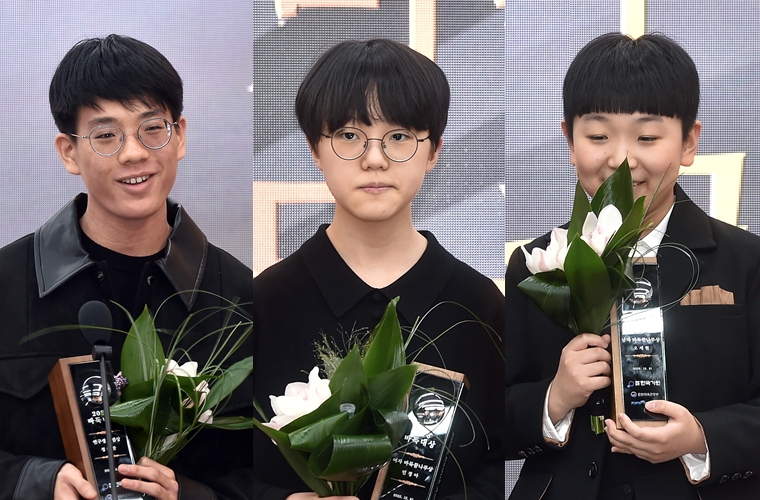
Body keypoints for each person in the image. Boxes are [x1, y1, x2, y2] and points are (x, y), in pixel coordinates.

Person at [505, 32, 760, 499]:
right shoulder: (536, 264)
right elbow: (491, 419)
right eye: (598, 136)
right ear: (569, 140)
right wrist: (554, 399)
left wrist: (701, 438)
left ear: (688, 142)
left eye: (647, 137)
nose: (621, 160)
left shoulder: (746, 261)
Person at [0, 35, 253, 500]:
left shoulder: (239, 296)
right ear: (69, 151)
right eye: (106, 135)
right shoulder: (6, 284)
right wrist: (33, 481)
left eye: (152, 128)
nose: (134, 152)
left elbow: (269, 477)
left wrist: (187, 495)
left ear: (179, 135)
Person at [252, 39, 505, 500]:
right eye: (349, 136)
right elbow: (233, 471)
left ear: (434, 151)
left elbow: (493, 472)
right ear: (314, 149)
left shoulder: (478, 304)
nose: (374, 159)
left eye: (399, 136)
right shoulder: (266, 302)